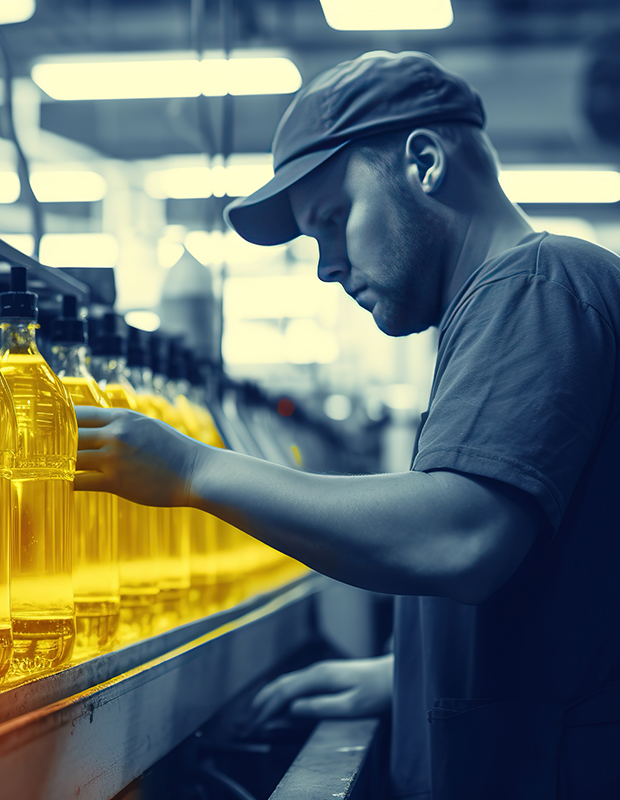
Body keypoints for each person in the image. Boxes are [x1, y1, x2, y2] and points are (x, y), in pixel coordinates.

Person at [74, 51, 620, 799]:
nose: (326, 265)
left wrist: (190, 471)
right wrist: (402, 676)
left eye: (334, 219)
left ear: (424, 163)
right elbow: (551, 586)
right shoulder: (493, 309)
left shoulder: (537, 285)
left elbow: (459, 536)